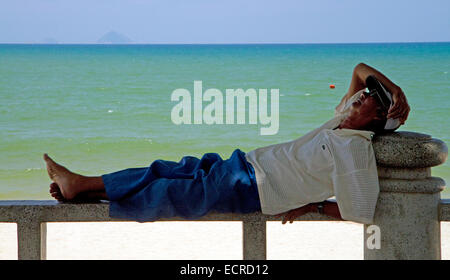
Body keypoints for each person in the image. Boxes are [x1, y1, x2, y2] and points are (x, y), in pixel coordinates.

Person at [44, 62, 410, 224]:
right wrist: (394, 89)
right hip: (243, 166)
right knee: (166, 170)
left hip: (253, 189)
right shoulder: (342, 119)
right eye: (362, 95)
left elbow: (360, 212)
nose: (359, 97)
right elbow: (360, 68)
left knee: (170, 193)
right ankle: (88, 189)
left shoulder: (356, 150)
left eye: (369, 101)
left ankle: (81, 185)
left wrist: (313, 205)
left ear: (377, 120)